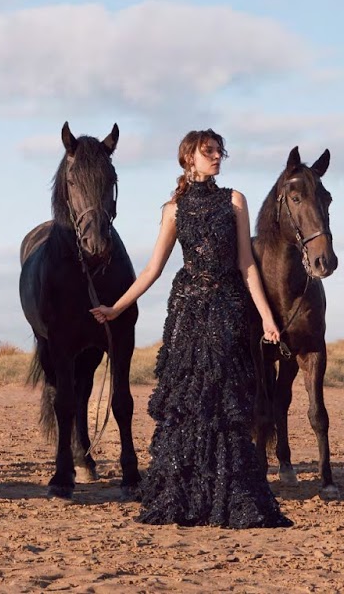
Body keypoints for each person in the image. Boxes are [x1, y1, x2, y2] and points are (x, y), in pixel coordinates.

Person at [90, 128, 291, 528]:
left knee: (227, 400)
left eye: (219, 151)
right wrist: (116, 307)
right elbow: (152, 268)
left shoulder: (234, 200)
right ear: (189, 159)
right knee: (188, 402)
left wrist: (267, 317)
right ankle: (187, 493)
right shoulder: (173, 210)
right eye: (209, 151)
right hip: (188, 312)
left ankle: (227, 491)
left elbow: (246, 264)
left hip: (228, 307)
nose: (217, 157)